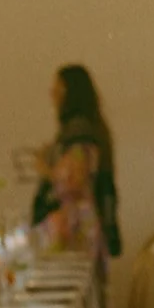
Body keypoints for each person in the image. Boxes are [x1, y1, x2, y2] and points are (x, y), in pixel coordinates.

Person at [34, 64, 121, 260]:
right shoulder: (88, 129)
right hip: (84, 223)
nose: (52, 94)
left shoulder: (78, 133)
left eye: (58, 88)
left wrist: (44, 168)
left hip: (75, 227)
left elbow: (74, 181)